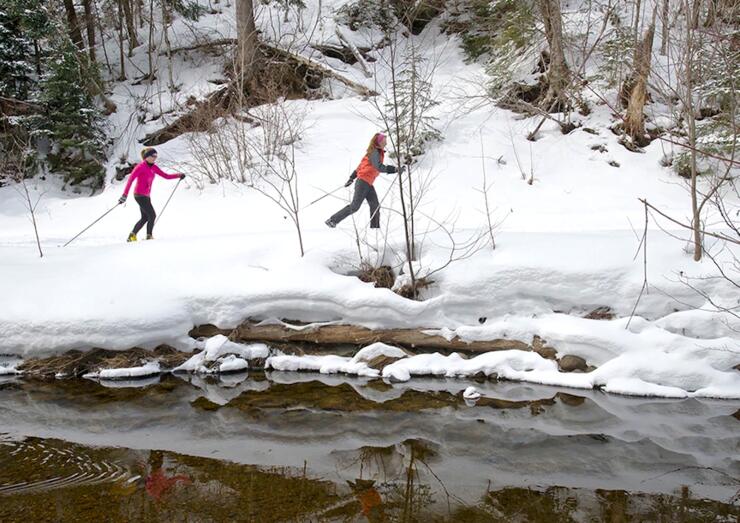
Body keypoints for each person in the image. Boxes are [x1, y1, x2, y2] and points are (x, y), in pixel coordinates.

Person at [325, 133, 402, 229]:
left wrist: (352, 178)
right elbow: (378, 167)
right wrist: (394, 169)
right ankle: (332, 220)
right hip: (363, 182)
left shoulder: (373, 153)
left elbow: (360, 166)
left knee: (375, 205)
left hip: (367, 183)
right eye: (384, 140)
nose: (386, 142)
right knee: (355, 206)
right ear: (379, 141)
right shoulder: (375, 152)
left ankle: (375, 229)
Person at [119, 147, 184, 241]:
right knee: (152, 215)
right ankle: (149, 236)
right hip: (139, 195)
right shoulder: (140, 167)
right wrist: (124, 195)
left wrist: (178, 175)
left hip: (146, 196)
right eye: (153, 156)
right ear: (147, 157)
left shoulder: (154, 167)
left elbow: (166, 176)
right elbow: (130, 180)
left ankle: (132, 236)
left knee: (145, 217)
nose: (155, 157)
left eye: (156, 156)